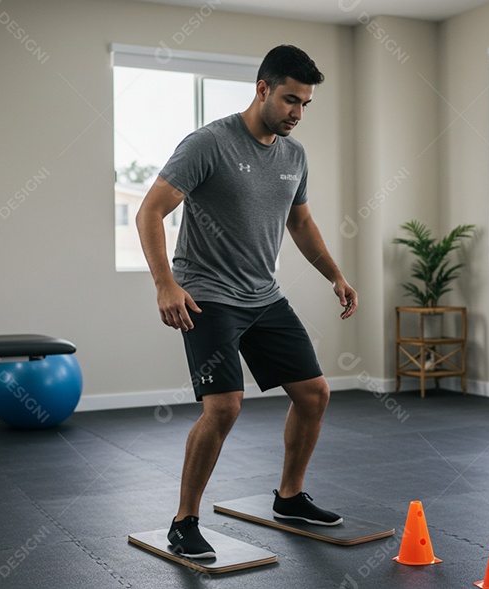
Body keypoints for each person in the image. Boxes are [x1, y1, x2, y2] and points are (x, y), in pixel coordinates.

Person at [135, 45, 357, 559]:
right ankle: (183, 521)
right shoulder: (208, 144)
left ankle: (289, 497)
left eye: (304, 103)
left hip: (263, 295)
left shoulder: (294, 156)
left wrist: (335, 275)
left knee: (315, 394)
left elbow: (299, 223)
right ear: (262, 89)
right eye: (289, 100)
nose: (297, 113)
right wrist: (166, 285)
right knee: (224, 408)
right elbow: (149, 212)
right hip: (207, 296)